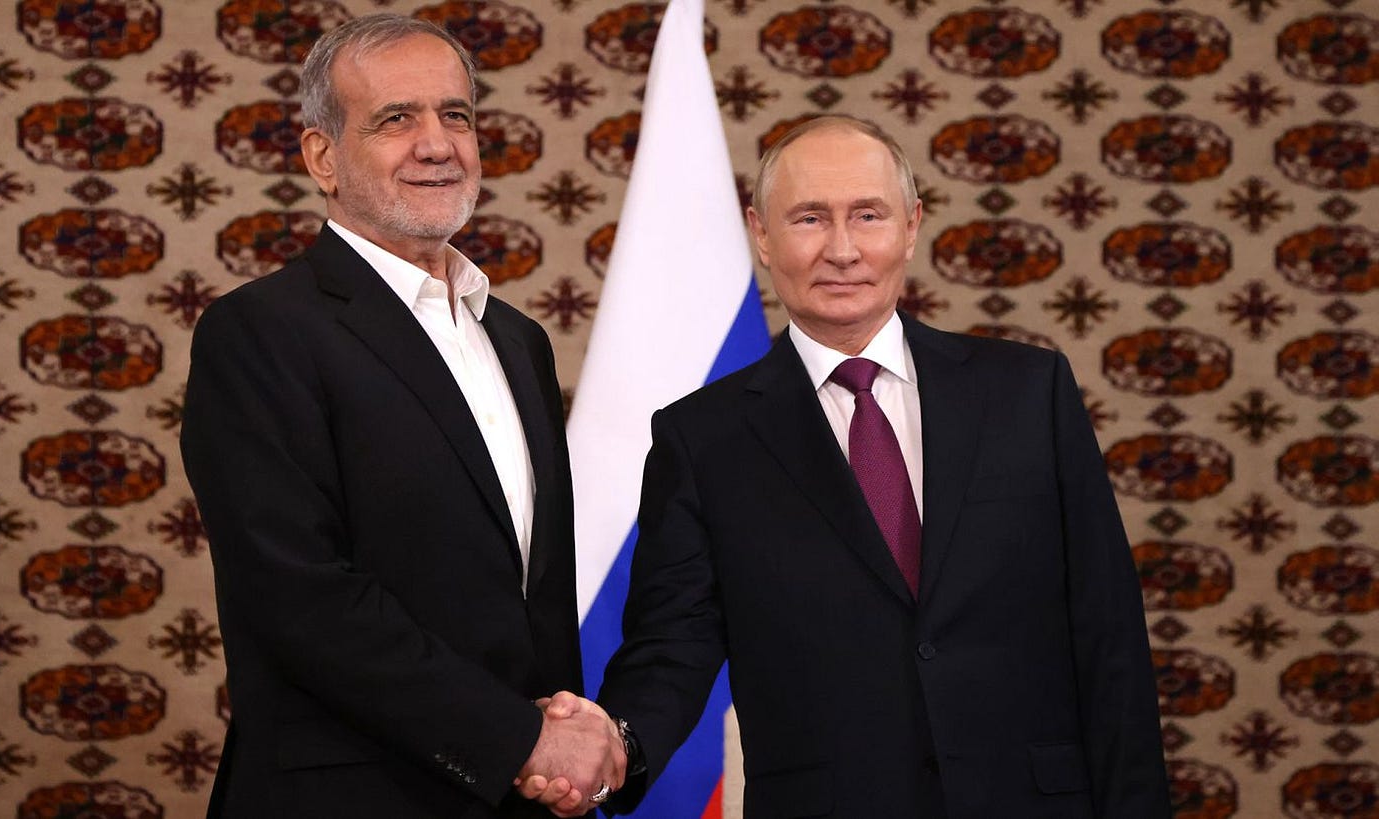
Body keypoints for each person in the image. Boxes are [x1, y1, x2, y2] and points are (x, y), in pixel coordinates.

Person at [527, 116, 1169, 817]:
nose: (841, 249)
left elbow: (1109, 643)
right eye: (809, 218)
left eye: (867, 215)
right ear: (763, 236)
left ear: (912, 226)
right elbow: (673, 643)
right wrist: (617, 742)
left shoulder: (1028, 394)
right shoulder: (703, 438)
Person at [180, 15, 623, 818]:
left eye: (456, 114)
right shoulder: (259, 333)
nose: (437, 143)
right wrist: (517, 741)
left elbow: (532, 604)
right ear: (322, 156)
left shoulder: (518, 341)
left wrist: (556, 751)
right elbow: (304, 599)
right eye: (395, 119)